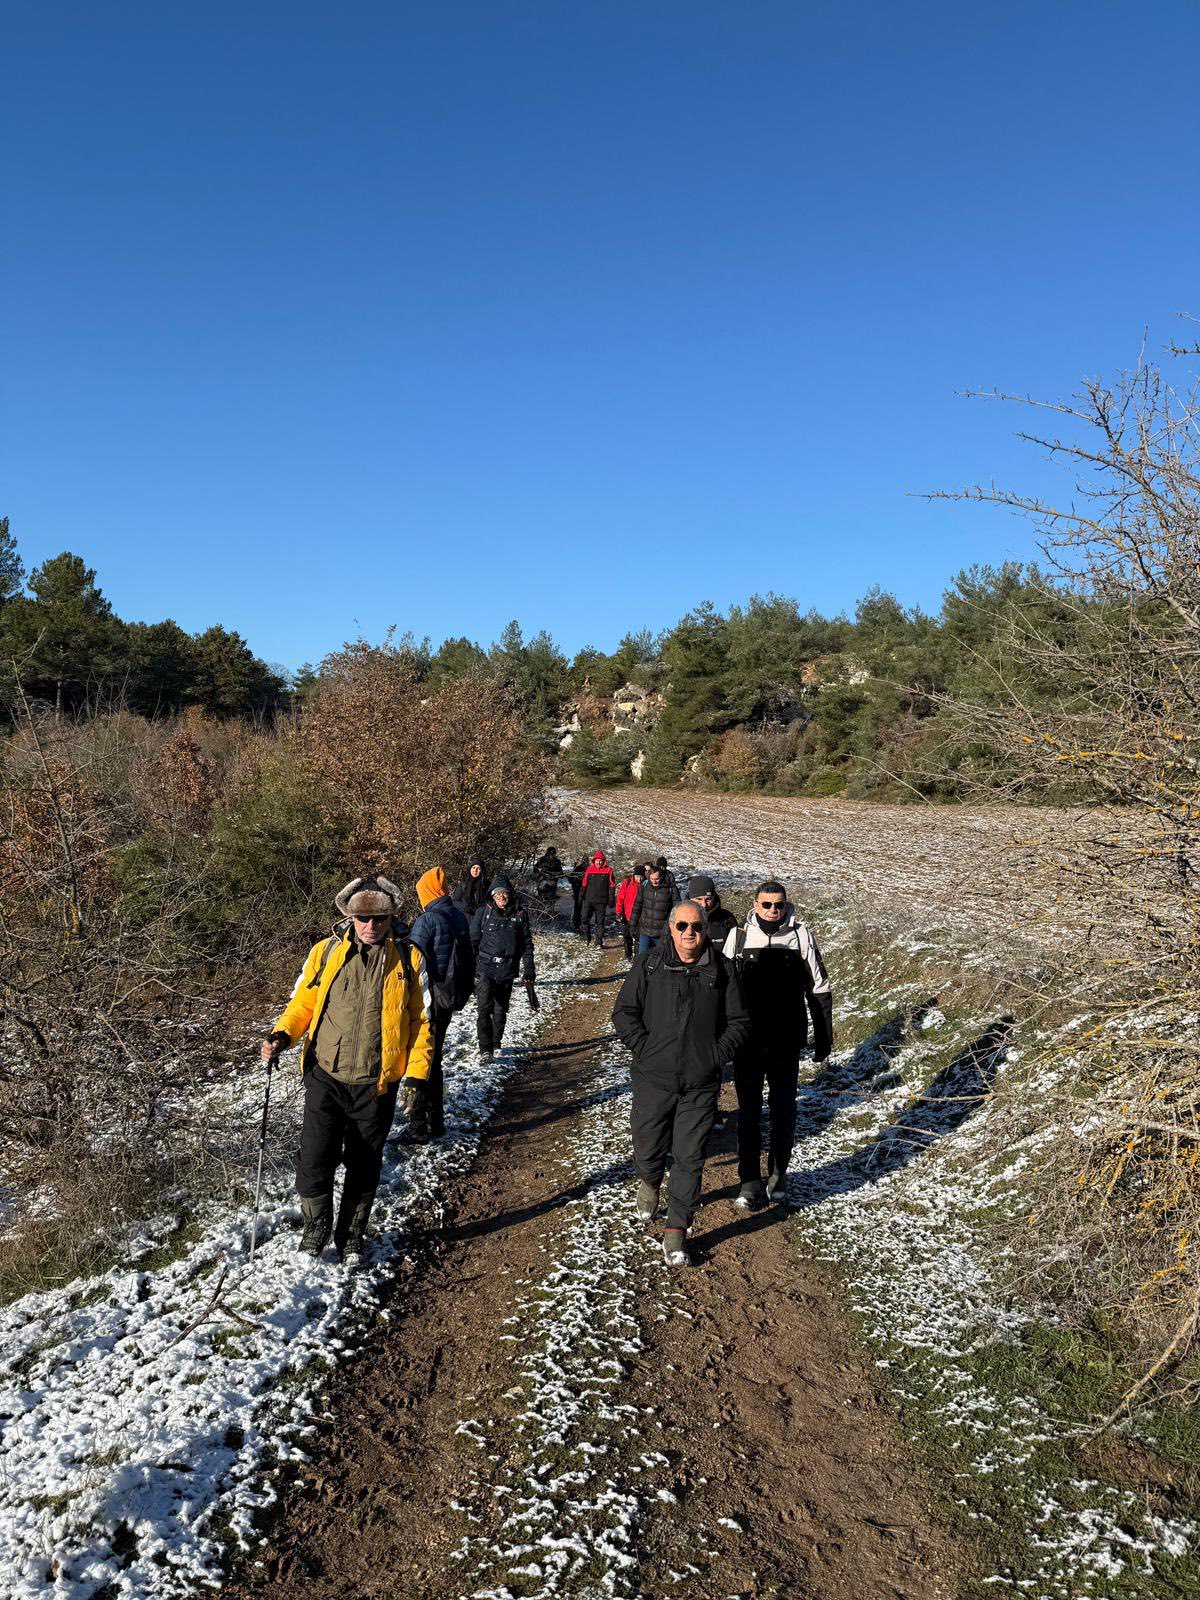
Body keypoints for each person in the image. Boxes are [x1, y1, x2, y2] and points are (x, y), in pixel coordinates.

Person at [262, 876, 433, 1262]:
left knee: (364, 1163)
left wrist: (417, 1077)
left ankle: (351, 1234)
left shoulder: (410, 959)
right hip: (326, 1075)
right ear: (350, 918)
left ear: (391, 918)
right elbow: (302, 1004)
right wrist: (281, 1036)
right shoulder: (325, 953)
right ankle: (316, 1227)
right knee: (313, 1158)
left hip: (377, 1083)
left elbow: (423, 1023)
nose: (370, 926)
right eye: (362, 919)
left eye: (379, 918)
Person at [613, 899, 750, 1266]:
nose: (690, 933)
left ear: (706, 930)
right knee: (647, 1142)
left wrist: (713, 1057)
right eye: (683, 926)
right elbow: (624, 1012)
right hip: (652, 1079)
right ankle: (648, 1179)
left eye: (697, 927)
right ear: (670, 928)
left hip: (700, 1084)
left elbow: (739, 1022)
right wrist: (644, 1049)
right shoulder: (649, 964)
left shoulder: (722, 969)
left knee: (690, 1156)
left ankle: (676, 1231)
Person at [723, 880, 833, 1210]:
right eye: (767, 904)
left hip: (786, 1041)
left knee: (785, 1112)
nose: (773, 910)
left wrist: (823, 1040)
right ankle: (748, 1180)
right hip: (748, 1043)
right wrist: (719, 1038)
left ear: (786, 905)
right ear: (755, 905)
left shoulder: (801, 936)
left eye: (779, 904)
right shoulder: (738, 937)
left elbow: (820, 988)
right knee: (749, 1113)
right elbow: (721, 990)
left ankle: (779, 1173)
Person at [408, 867, 474, 1141]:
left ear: (427, 892)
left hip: (428, 998)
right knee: (435, 1059)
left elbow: (414, 962)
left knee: (423, 1059)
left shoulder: (428, 919)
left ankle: (419, 1126)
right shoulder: (457, 914)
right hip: (449, 997)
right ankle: (436, 1123)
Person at [470, 874, 536, 1060]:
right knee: (484, 1008)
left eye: (504, 894)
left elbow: (527, 945)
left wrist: (529, 969)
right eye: (497, 894)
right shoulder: (483, 912)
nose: (501, 898)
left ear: (510, 894)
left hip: (507, 969)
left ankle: (496, 1043)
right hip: (485, 968)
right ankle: (485, 1049)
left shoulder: (520, 914)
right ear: (492, 895)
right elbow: (472, 942)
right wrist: (472, 969)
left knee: (500, 1008)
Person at [629, 861, 679, 955]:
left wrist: (672, 929)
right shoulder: (644, 887)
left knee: (661, 959)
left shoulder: (671, 889)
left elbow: (676, 911)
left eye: (657, 879)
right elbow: (637, 906)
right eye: (652, 879)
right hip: (645, 931)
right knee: (642, 959)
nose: (654, 881)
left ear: (662, 877)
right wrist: (633, 924)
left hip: (662, 933)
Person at [579, 849, 616, 947]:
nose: (599, 862)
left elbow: (612, 885)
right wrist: (580, 896)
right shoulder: (589, 869)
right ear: (594, 861)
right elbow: (584, 883)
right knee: (584, 919)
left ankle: (598, 941)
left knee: (600, 922)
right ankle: (587, 937)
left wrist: (611, 898)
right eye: (597, 860)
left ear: (604, 861)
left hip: (601, 901)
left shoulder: (609, 870)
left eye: (601, 860)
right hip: (589, 900)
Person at [687, 874, 736, 947]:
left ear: (714, 898)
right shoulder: (678, 918)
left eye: (708, 899)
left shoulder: (727, 919)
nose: (704, 904)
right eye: (699, 899)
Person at [614, 862, 645, 960]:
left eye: (641, 876)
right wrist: (619, 912)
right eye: (637, 876)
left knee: (638, 938)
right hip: (627, 916)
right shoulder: (627, 883)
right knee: (627, 937)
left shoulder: (646, 885)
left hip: (640, 918)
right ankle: (628, 955)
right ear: (634, 875)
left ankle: (636, 957)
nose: (639, 879)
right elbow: (620, 898)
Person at [568, 854, 588, 933]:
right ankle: (577, 924)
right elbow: (570, 878)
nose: (585, 862)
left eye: (586, 861)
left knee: (587, 908)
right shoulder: (578, 869)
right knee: (578, 907)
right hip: (578, 891)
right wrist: (575, 884)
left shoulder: (590, 869)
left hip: (588, 892)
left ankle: (584, 924)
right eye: (584, 861)